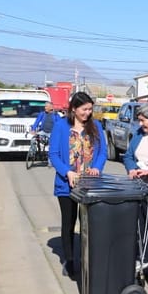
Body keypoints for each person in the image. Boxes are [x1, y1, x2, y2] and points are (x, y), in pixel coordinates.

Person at [48, 92, 107, 277]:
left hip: (90, 185)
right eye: (84, 109)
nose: (88, 113)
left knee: (88, 224)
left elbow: (103, 152)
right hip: (67, 185)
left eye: (90, 109)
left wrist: (97, 167)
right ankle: (69, 260)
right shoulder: (61, 126)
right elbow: (54, 154)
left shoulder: (96, 126)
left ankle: (87, 259)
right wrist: (67, 172)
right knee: (69, 222)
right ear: (74, 108)